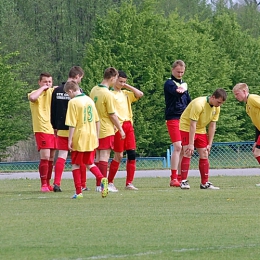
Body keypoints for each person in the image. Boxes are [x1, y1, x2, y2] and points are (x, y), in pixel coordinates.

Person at [64, 81, 108, 199]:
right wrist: (97, 136)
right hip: (91, 135)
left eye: (68, 94)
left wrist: (70, 140)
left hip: (79, 136)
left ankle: (78, 192)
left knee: (75, 164)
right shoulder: (89, 100)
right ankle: (102, 178)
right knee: (89, 163)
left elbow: (72, 124)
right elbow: (97, 121)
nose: (69, 96)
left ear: (70, 91)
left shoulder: (73, 102)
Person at [179, 88, 227, 189]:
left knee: (205, 153)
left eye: (221, 103)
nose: (219, 105)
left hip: (200, 129)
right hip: (187, 127)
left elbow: (212, 126)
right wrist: (191, 144)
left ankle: (204, 183)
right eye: (218, 102)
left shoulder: (216, 108)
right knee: (188, 151)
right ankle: (183, 181)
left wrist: (209, 144)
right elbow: (192, 125)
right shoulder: (199, 104)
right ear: (213, 97)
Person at [51, 66, 89, 192]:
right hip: (76, 129)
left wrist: (54, 126)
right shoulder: (79, 92)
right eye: (81, 78)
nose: (80, 81)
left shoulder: (56, 91)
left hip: (61, 127)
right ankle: (82, 184)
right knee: (79, 157)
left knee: (61, 155)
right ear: (77, 76)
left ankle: (57, 183)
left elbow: (53, 110)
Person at [107, 71, 143, 192]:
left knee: (132, 154)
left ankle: (129, 182)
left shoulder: (126, 93)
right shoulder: (110, 94)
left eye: (124, 82)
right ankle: (110, 181)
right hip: (118, 126)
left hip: (129, 125)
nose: (122, 84)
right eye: (120, 81)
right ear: (115, 80)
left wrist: (126, 86)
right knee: (119, 155)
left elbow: (139, 94)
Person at [89, 67, 125, 189]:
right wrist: (120, 128)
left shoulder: (94, 89)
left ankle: (98, 185)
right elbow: (112, 114)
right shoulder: (107, 94)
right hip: (105, 128)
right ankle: (103, 185)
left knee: (98, 157)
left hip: (95, 128)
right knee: (104, 157)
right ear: (112, 78)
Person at [164, 60, 191, 188]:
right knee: (178, 146)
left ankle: (180, 177)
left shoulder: (184, 84)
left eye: (182, 72)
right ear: (173, 70)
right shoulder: (169, 83)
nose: (180, 74)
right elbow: (177, 92)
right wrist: (183, 88)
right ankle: (173, 177)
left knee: (183, 149)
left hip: (184, 118)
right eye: (178, 71)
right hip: (173, 117)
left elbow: (188, 100)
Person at [28, 72, 56, 192]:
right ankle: (43, 184)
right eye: (45, 82)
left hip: (53, 129)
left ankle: (48, 183)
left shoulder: (53, 92)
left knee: (51, 158)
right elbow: (32, 98)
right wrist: (43, 88)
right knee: (45, 156)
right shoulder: (35, 93)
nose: (47, 84)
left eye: (49, 82)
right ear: (39, 82)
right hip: (41, 128)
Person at [232, 83, 260, 187]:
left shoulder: (252, 98)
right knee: (256, 152)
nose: (236, 96)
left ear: (244, 91)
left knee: (257, 153)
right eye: (235, 94)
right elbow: (257, 125)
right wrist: (256, 141)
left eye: (237, 93)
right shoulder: (248, 106)